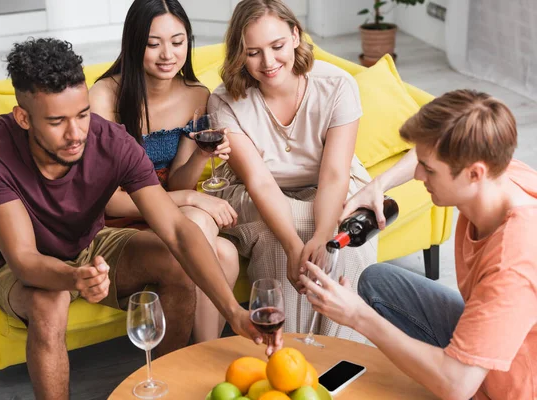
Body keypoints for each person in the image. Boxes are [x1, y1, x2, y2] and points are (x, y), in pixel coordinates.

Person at [0, 38, 281, 400]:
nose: (75, 133)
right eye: (56, 122)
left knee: (176, 265)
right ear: (23, 118)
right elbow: (23, 260)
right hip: (21, 263)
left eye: (82, 114)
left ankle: (167, 389)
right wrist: (73, 278)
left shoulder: (110, 140)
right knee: (49, 303)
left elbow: (177, 230)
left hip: (92, 243)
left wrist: (233, 312)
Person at [301, 89, 536, 400]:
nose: (418, 174)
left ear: (474, 174)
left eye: (429, 170)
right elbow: (425, 150)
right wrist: (378, 184)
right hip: (499, 342)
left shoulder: (514, 261)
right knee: (378, 281)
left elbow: (457, 386)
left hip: (514, 386)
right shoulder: (498, 172)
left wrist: (357, 316)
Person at [207, 0, 377, 338]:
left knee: (344, 248)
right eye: (252, 52)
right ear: (239, 54)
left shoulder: (338, 85)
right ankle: (284, 358)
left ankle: (340, 359)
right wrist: (292, 246)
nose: (268, 62)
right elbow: (259, 180)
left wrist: (322, 237)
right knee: (274, 240)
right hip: (256, 192)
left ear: (295, 36)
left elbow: (333, 176)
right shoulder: (224, 100)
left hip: (329, 185)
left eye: (277, 46)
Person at [89, 0, 239, 343]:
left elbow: (177, 179)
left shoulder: (196, 95)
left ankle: (202, 358)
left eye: (178, 41)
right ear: (133, 43)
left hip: (164, 211)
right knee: (210, 234)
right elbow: (111, 204)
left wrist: (201, 156)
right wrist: (193, 198)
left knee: (227, 253)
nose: (167, 54)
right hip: (118, 222)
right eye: (153, 44)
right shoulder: (104, 97)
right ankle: (202, 359)